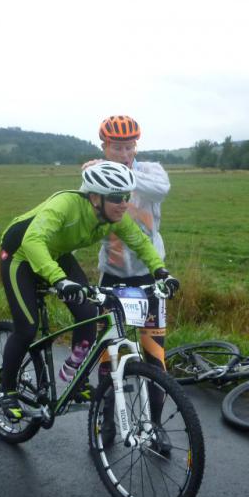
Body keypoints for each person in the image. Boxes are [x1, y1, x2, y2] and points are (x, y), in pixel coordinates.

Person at [0, 160, 179, 421]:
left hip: (56, 253)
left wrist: (161, 272)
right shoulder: (65, 204)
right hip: (20, 254)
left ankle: (76, 381)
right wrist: (59, 280)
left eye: (127, 196)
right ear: (94, 197)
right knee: (26, 327)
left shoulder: (113, 218)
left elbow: (140, 243)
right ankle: (7, 390)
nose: (124, 202)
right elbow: (33, 241)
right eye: (117, 197)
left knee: (89, 313)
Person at [84, 116, 172, 440]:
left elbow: (162, 189)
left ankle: (157, 426)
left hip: (150, 275)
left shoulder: (150, 171)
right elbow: (84, 198)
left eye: (129, 146)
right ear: (105, 147)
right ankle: (107, 420)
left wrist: (121, 173)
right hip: (113, 276)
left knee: (154, 354)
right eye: (117, 147)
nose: (124, 153)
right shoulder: (96, 173)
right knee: (109, 353)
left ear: (136, 146)